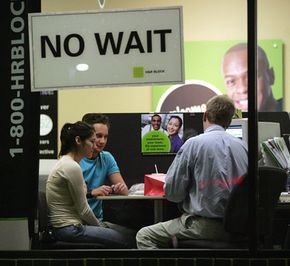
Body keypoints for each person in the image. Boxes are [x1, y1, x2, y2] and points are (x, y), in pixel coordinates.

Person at [136, 95, 248, 249]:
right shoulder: (244, 147)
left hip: (203, 226)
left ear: (205, 115)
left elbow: (173, 194)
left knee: (144, 236)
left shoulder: (193, 144)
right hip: (239, 229)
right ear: (229, 121)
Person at [46, 121, 135, 248]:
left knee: (132, 234)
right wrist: (101, 227)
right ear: (78, 141)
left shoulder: (68, 163)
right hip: (70, 229)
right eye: (92, 141)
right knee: (128, 240)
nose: (95, 146)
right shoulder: (71, 166)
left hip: (71, 227)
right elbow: (84, 210)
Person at [80, 113, 129, 221]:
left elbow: (125, 191)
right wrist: (91, 192)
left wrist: (117, 188)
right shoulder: (75, 159)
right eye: (98, 136)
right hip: (77, 222)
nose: (102, 141)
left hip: (97, 221)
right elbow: (69, 196)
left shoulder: (106, 158)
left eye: (105, 137)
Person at [222, 43, 283, 112]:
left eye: (251, 77)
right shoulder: (231, 119)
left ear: (271, 76)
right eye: (231, 81)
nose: (242, 89)